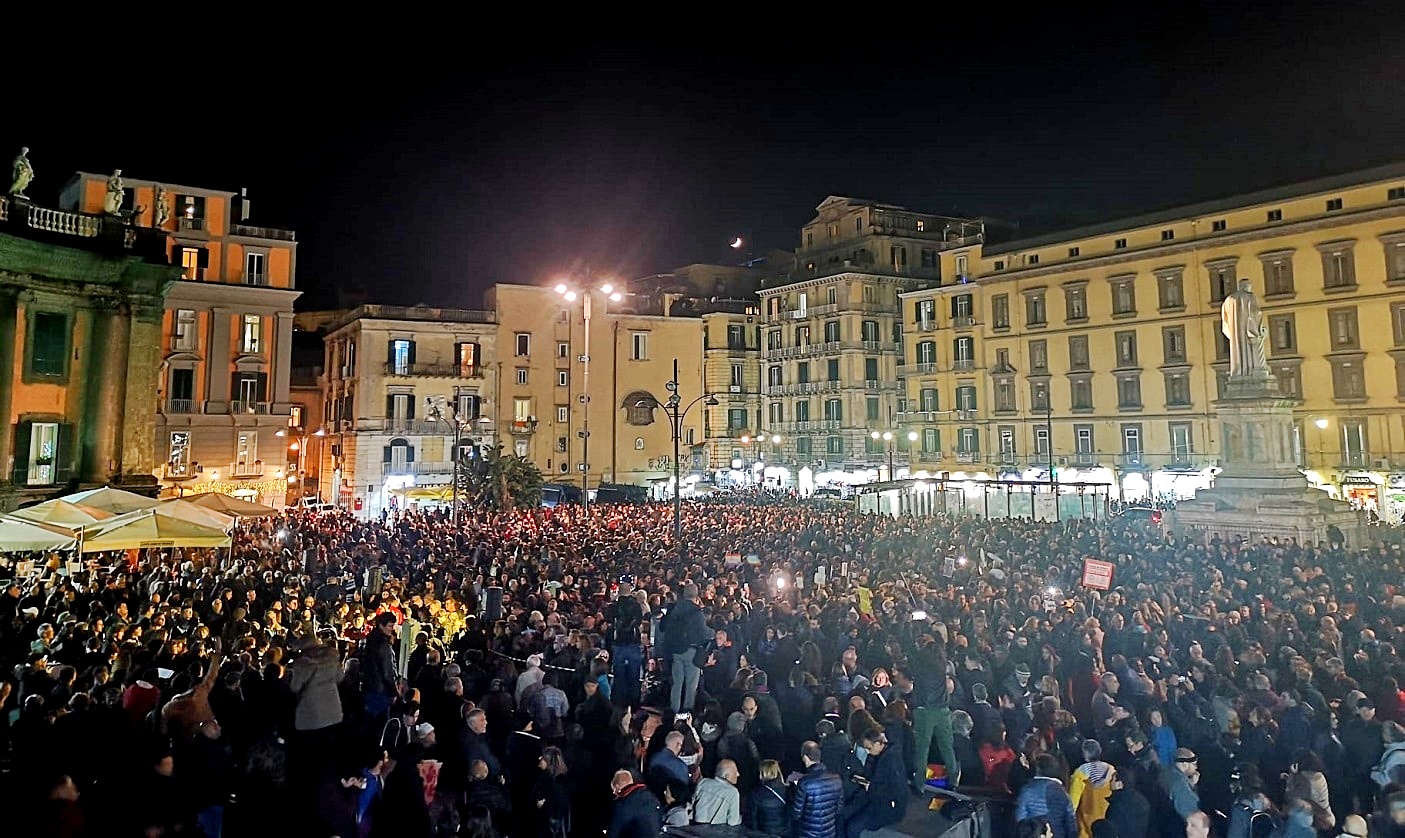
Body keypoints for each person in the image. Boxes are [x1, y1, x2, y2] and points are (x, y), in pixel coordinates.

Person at [842, 728, 907, 838]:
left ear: (877, 744)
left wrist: (870, 787)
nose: (867, 751)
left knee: (853, 827)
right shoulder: (880, 755)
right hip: (875, 796)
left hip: (886, 806)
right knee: (845, 814)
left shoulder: (891, 761)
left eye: (869, 748)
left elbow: (896, 790)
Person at [663, 583, 710, 716]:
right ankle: (687, 712)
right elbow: (703, 633)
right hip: (691, 651)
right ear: (697, 594)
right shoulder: (697, 612)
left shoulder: (676, 609)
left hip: (676, 650)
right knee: (691, 685)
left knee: (676, 683)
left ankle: (674, 710)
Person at [1015, 754, 1076, 838]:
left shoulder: (1027, 790)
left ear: (1038, 769)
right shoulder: (1061, 791)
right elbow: (1070, 820)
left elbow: (1020, 819)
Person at [607, 576, 645, 709]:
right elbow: (639, 623)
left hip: (618, 644)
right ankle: (634, 704)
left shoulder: (613, 607)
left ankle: (618, 704)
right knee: (634, 676)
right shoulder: (636, 606)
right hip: (633, 644)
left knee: (619, 675)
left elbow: (609, 625)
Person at [793, 740, 843, 838]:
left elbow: (797, 813)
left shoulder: (805, 782)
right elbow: (839, 808)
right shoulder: (837, 779)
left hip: (808, 833)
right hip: (829, 832)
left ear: (806, 757)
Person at [361, 613, 400, 722]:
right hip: (381, 691)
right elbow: (387, 671)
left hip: (369, 687)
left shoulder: (369, 640)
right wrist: (393, 691)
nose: (392, 629)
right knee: (381, 724)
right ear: (381, 625)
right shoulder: (383, 644)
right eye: (390, 626)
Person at [609, 769, 662, 838]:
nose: (614, 793)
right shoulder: (652, 798)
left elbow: (614, 831)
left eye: (613, 790)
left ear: (617, 787)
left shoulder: (623, 804)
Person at [692, 758, 742, 826]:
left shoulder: (703, 783)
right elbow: (733, 822)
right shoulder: (732, 792)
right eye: (735, 771)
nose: (738, 774)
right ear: (726, 776)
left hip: (695, 829)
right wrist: (741, 819)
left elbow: (691, 804)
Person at [750, 759, 792, 836]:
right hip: (784, 832)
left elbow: (753, 818)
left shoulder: (756, 793)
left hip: (764, 831)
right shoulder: (787, 790)